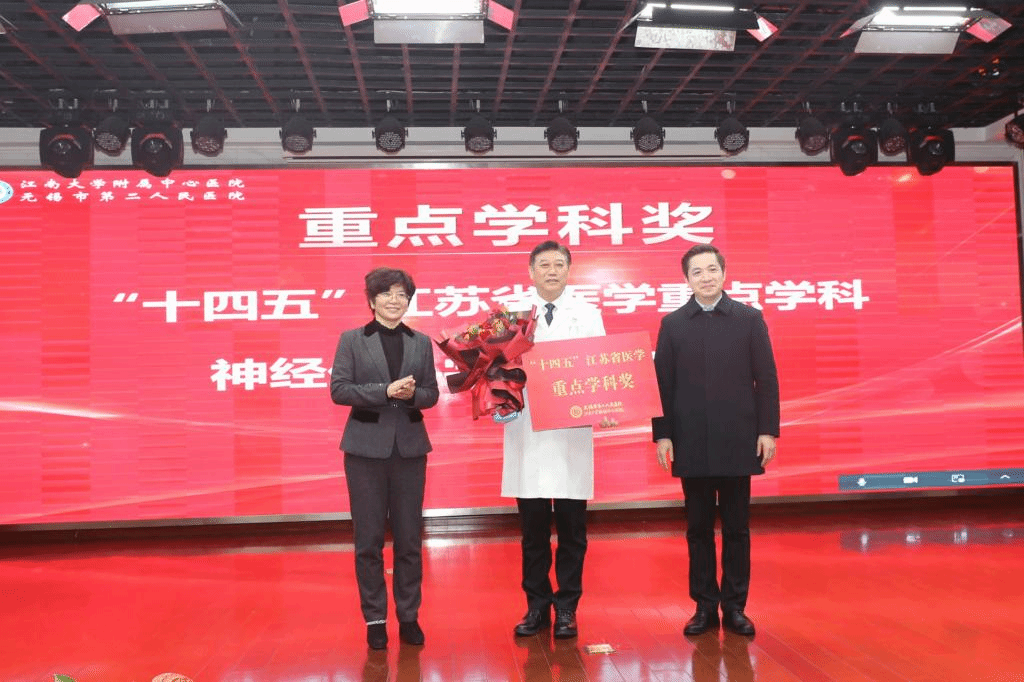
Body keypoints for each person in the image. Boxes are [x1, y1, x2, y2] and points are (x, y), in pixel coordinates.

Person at [652, 244, 779, 638]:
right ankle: (704, 607)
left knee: (738, 528)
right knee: (698, 529)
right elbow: (661, 385)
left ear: (724, 273)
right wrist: (663, 435)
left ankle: (735, 607)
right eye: (697, 272)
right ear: (686, 279)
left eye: (712, 270)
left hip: (738, 438)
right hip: (690, 440)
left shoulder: (749, 319)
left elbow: (766, 379)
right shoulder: (673, 324)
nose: (705, 277)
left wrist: (767, 430)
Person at [501, 240, 606, 640]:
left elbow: (601, 365)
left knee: (572, 530)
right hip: (527, 430)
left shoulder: (588, 314)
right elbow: (495, 367)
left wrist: (607, 403)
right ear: (531, 272)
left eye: (558, 264)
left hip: (570, 433)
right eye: (543, 265)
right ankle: (536, 606)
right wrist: (498, 396)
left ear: (568, 270)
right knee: (533, 532)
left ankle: (567, 608)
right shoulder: (512, 316)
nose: (551, 271)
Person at [330, 267, 440, 650]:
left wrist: (412, 396)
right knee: (369, 540)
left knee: (409, 539)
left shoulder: (420, 342)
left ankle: (408, 616)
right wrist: (385, 391)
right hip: (364, 452)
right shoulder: (352, 340)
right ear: (372, 299)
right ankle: (375, 619)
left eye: (402, 294)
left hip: (410, 450)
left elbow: (431, 394)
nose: (395, 300)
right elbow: (339, 390)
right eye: (387, 293)